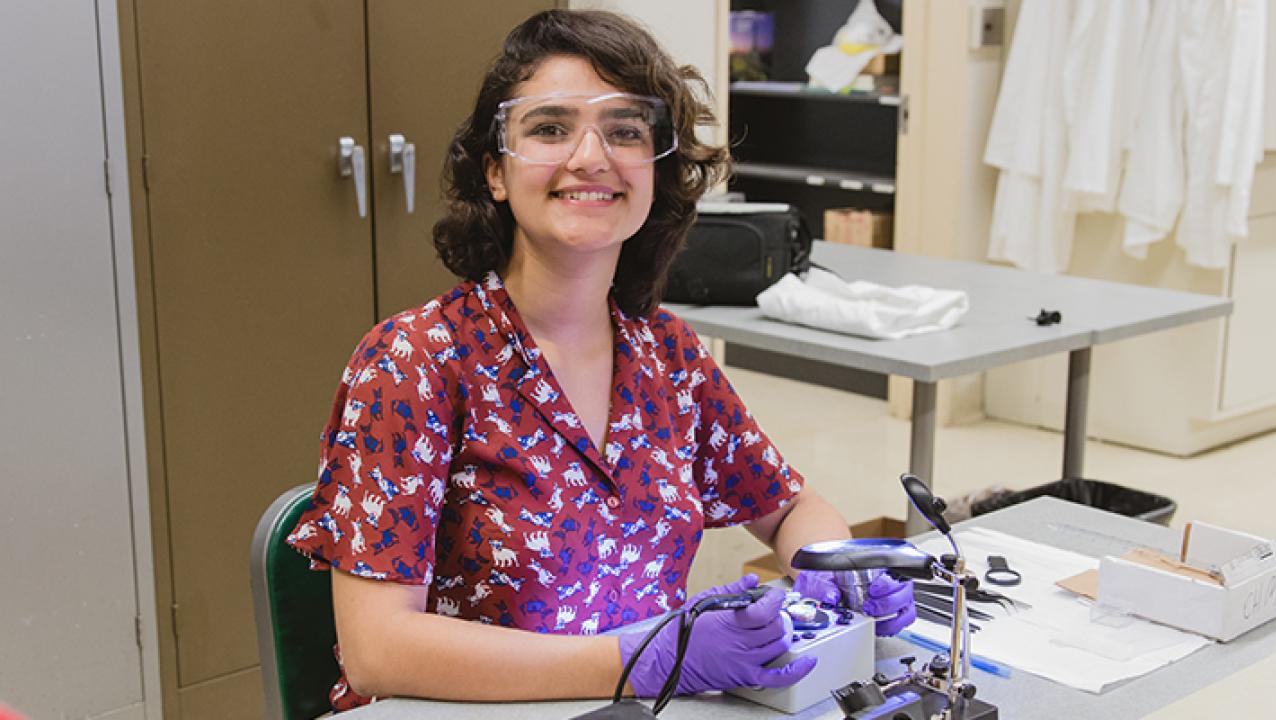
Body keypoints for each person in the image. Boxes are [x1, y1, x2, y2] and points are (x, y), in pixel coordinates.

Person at [287, 9, 914, 711]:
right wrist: (641, 659)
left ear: (655, 171)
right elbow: (379, 653)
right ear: (496, 171)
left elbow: (789, 505)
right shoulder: (415, 362)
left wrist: (836, 572)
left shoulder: (665, 352)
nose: (592, 157)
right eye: (550, 128)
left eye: (624, 131)